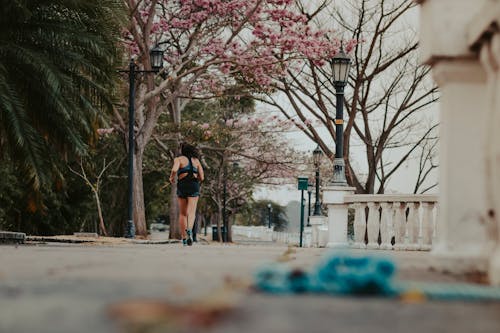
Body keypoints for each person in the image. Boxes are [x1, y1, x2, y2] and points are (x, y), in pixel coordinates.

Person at [169, 143, 204, 246]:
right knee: (191, 213)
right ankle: (189, 230)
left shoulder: (178, 159)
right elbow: (202, 177)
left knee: (183, 213)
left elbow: (174, 169)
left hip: (182, 185)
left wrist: (171, 177)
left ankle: (184, 238)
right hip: (193, 185)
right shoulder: (196, 161)